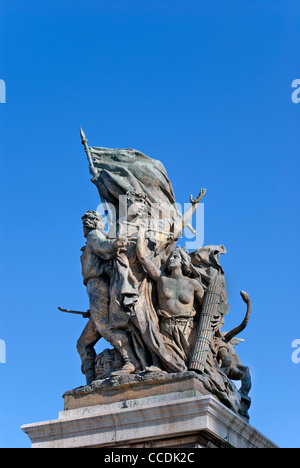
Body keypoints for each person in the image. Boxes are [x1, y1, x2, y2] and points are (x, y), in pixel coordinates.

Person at [77, 210, 140, 384]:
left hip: (96, 286)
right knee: (83, 343)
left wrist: (115, 244)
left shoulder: (93, 235)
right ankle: (91, 380)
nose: (85, 227)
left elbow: (105, 247)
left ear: (93, 223)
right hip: (95, 289)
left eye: (86, 223)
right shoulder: (93, 237)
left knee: (105, 327)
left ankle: (130, 360)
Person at [136, 226, 205, 362]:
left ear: (183, 261)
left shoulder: (193, 284)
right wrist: (141, 232)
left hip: (188, 330)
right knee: (169, 362)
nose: (171, 259)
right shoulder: (162, 279)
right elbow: (143, 258)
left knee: (191, 365)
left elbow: (206, 308)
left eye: (175, 257)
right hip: (165, 329)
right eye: (171, 257)